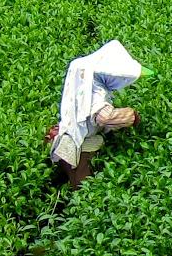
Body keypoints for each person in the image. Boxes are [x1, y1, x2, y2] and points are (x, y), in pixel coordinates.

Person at [46, 40, 144, 190]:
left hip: (67, 133)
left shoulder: (83, 79)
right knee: (82, 188)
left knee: (66, 179)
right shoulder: (96, 89)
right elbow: (103, 116)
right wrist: (131, 115)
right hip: (76, 144)